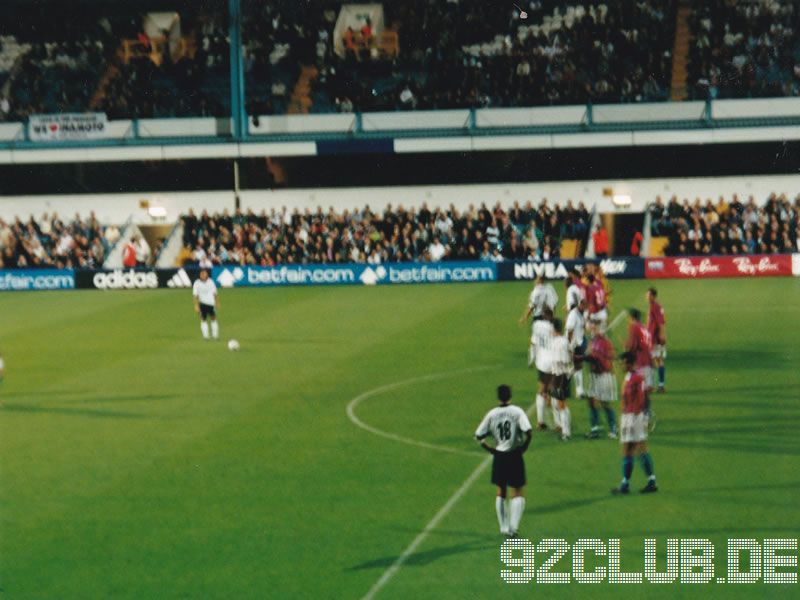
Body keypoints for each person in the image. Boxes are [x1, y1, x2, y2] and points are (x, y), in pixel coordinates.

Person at [474, 384, 532, 537]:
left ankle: (503, 527)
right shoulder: (517, 412)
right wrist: (524, 446)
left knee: (501, 491)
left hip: (499, 456)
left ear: (498, 397)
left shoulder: (492, 414)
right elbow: (529, 432)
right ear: (510, 395)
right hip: (514, 455)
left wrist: (490, 449)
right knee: (517, 490)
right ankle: (514, 527)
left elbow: (479, 436)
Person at [612, 352, 658, 494]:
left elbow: (643, 398)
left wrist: (643, 417)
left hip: (634, 417)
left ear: (630, 363)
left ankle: (646, 482)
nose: (621, 365)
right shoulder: (629, 376)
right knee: (631, 450)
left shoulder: (637, 378)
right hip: (628, 416)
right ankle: (631, 483)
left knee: (636, 449)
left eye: (623, 363)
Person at [584, 328, 618, 439]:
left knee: (605, 403)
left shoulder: (605, 343)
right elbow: (588, 355)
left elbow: (611, 357)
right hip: (594, 377)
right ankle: (594, 429)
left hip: (604, 376)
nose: (592, 330)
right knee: (591, 402)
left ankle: (613, 428)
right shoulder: (593, 342)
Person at [530, 307, 555, 430]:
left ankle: (540, 421)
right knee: (552, 390)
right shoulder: (553, 327)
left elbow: (533, 342)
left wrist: (532, 357)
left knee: (541, 389)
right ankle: (558, 422)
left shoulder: (536, 325)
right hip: (552, 361)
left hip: (541, 361)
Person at [549, 318, 573, 441]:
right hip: (557, 375)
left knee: (561, 404)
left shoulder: (561, 342)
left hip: (561, 376)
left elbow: (565, 360)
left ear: (554, 329)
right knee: (555, 403)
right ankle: (560, 425)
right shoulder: (560, 341)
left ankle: (566, 432)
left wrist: (563, 380)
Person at [565, 298, 587, 398]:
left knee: (575, 367)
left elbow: (583, 327)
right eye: (583, 305)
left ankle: (576, 390)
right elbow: (569, 331)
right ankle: (578, 391)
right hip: (572, 344)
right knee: (575, 367)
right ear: (579, 305)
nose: (585, 307)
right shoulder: (573, 315)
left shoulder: (584, 313)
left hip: (579, 342)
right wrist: (570, 347)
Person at [646, 288, 667, 393]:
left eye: (649, 295)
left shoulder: (655, 307)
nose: (647, 297)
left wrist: (662, 335)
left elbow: (661, 322)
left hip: (655, 338)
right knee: (656, 360)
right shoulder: (655, 306)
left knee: (654, 360)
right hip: (653, 337)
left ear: (653, 296)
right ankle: (659, 385)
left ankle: (653, 385)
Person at [192, 269, 219, 340]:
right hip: (202, 303)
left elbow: (215, 293)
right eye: (202, 274)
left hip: (211, 303)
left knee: (213, 318)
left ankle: (215, 335)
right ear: (200, 275)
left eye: (205, 274)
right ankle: (206, 336)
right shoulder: (197, 283)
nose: (203, 275)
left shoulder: (211, 282)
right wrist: (196, 305)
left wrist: (217, 302)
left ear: (207, 274)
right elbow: (195, 295)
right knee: (203, 319)